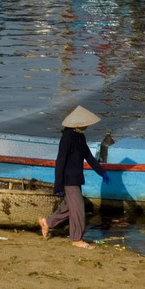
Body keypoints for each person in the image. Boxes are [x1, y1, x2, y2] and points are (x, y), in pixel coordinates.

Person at [39, 105, 107, 248]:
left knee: (69, 208)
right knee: (78, 209)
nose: (87, 126)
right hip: (68, 180)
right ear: (78, 124)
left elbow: (88, 156)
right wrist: (59, 185)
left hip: (76, 178)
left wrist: (102, 172)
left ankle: (47, 222)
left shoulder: (80, 137)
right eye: (85, 124)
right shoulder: (67, 138)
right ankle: (77, 239)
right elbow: (60, 161)